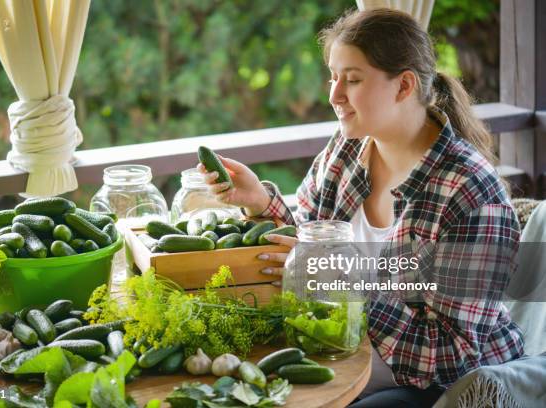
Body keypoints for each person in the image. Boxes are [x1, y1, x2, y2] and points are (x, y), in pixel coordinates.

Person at [198, 8, 525, 407]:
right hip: (344, 350)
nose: (334, 95)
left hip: (433, 387)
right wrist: (262, 203)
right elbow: (310, 242)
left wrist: (348, 289)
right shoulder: (348, 148)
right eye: (333, 77)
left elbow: (452, 354)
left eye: (352, 80)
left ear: (404, 86)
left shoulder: (472, 194)